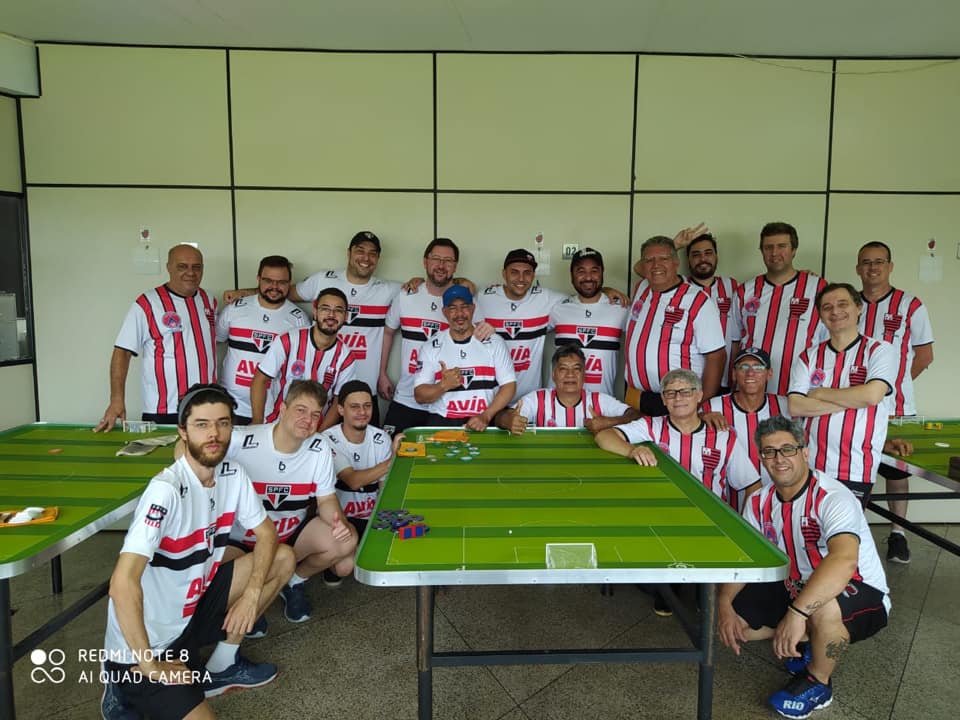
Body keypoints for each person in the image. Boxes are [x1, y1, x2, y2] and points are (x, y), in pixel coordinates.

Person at [100, 383, 295, 720]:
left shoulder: (232, 474)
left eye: (222, 423)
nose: (214, 434)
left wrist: (251, 595)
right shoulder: (165, 491)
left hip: (190, 614)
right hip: (149, 642)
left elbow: (267, 534)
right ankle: (120, 683)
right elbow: (122, 584)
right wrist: (150, 664)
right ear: (183, 431)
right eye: (202, 424)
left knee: (283, 558)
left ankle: (221, 667)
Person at [718, 416, 889, 719]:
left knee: (821, 609)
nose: (779, 458)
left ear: (804, 453)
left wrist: (797, 614)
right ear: (762, 457)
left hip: (859, 587)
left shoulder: (832, 497)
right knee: (737, 628)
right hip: (795, 585)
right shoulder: (758, 501)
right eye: (769, 451)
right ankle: (810, 639)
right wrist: (724, 603)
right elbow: (747, 559)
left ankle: (818, 682)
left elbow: (844, 560)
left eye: (787, 449)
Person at [595, 368, 759, 616]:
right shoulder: (650, 427)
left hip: (710, 525)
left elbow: (751, 486)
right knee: (653, 583)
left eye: (685, 391)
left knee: (708, 606)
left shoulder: (724, 436)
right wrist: (631, 450)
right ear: (663, 399)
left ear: (699, 395)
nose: (678, 398)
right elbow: (604, 436)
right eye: (670, 393)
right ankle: (668, 585)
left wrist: (745, 529)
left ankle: (700, 583)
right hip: (662, 521)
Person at [222, 380, 356, 626]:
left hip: (288, 538)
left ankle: (292, 581)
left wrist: (339, 522)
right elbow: (187, 448)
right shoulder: (242, 440)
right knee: (211, 567)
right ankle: (250, 596)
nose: (308, 420)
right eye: (301, 410)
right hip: (242, 541)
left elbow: (326, 499)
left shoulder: (319, 447)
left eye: (315, 414)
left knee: (346, 540)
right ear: (283, 409)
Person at [856, 241, 935, 563]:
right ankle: (854, 534)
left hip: (897, 409)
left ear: (890, 266)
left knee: (896, 475)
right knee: (856, 471)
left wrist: (894, 384)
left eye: (879, 261)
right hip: (857, 408)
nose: (873, 267)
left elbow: (925, 355)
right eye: (866, 262)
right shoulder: (848, 304)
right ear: (858, 268)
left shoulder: (910, 305)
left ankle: (898, 534)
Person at [788, 282, 897, 506]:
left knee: (844, 527)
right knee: (808, 524)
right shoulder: (808, 356)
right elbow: (796, 406)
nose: (835, 311)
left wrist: (819, 393)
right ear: (820, 315)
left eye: (842, 304)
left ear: (859, 308)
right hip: (811, 465)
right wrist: (855, 400)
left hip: (855, 467)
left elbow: (872, 396)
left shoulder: (880, 350)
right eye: (827, 307)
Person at [95, 244, 217, 431]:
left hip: (207, 406)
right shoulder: (147, 303)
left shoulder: (209, 299)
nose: (190, 273)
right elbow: (122, 352)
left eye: (196, 267)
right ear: (168, 268)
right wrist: (116, 400)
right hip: (164, 409)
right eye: (182, 266)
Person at [624, 236, 726, 416]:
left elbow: (716, 357)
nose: (656, 265)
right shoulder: (641, 288)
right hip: (636, 398)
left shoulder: (698, 301)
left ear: (676, 262)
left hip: (679, 402)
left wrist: (702, 407)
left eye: (664, 258)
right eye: (649, 260)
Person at [322, 380, 403, 584]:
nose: (362, 412)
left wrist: (388, 522)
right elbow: (353, 481)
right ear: (341, 409)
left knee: (401, 544)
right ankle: (332, 565)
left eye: (367, 406)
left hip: (370, 517)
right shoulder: (327, 439)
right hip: (339, 519)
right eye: (354, 407)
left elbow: (383, 489)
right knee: (344, 567)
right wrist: (393, 460)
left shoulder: (381, 438)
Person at [216, 256, 310, 423]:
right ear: (258, 279)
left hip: (273, 412)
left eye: (281, 282)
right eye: (268, 281)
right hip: (230, 407)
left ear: (289, 283)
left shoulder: (299, 320)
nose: (274, 287)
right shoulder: (234, 309)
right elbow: (215, 341)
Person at [379, 238, 460, 434]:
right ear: (425, 261)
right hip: (406, 398)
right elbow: (388, 332)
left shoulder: (464, 301)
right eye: (436, 259)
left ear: (455, 266)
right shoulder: (406, 296)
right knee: (393, 450)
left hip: (446, 403)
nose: (441, 265)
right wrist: (382, 373)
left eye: (448, 261)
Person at [737, 222, 827, 395]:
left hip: (801, 389)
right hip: (754, 392)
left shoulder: (818, 288)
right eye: (768, 247)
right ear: (761, 251)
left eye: (782, 246)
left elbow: (830, 341)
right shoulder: (745, 291)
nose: (774, 253)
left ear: (794, 250)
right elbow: (736, 341)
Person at [250, 287, 357, 430]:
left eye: (338, 310)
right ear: (315, 312)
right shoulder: (288, 340)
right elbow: (260, 379)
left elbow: (339, 400)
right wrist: (257, 423)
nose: (331, 315)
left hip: (314, 430)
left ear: (345, 316)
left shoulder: (346, 357)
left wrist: (319, 435)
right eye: (325, 309)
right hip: (277, 425)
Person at [414, 285, 516, 429]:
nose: (459, 314)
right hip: (443, 421)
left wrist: (486, 415)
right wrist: (443, 385)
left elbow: (509, 385)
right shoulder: (430, 347)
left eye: (464, 307)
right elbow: (419, 396)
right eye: (452, 308)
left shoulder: (494, 342)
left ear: (473, 309)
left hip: (483, 420)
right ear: (444, 312)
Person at [476, 249, 567, 399]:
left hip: (529, 401)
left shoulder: (546, 299)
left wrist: (604, 291)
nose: (521, 278)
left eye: (527, 273)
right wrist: (461, 282)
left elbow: (580, 302)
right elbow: (458, 309)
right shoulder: (483, 297)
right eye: (514, 272)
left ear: (533, 275)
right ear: (504, 274)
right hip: (491, 399)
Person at [701, 347, 789, 493]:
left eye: (758, 367)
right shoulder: (713, 407)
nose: (750, 373)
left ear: (769, 374)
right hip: (727, 497)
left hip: (777, 496)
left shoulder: (785, 406)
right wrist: (701, 416)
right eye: (743, 367)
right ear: (734, 374)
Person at [495, 345, 638, 433]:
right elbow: (500, 417)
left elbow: (637, 415)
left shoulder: (598, 400)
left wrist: (609, 422)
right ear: (553, 375)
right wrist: (508, 420)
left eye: (576, 369)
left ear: (584, 374)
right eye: (563, 369)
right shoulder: (538, 399)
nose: (570, 375)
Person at [549, 248, 628, 396]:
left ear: (602, 272)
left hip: (602, 403)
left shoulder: (621, 308)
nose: (588, 277)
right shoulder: (557, 307)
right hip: (559, 403)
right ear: (571, 275)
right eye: (581, 271)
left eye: (594, 271)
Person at [680, 232, 741, 391]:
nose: (703, 259)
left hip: (725, 380)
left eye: (708, 253)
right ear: (688, 260)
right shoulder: (679, 286)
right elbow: (643, 269)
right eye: (696, 255)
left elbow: (737, 338)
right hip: (689, 383)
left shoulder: (732, 286)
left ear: (716, 256)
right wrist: (675, 245)